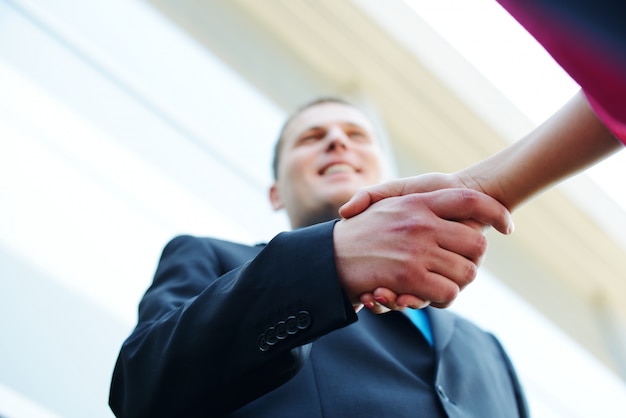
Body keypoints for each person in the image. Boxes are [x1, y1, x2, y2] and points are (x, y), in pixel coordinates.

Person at [108, 98, 528, 417]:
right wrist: (325, 261)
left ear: (387, 175)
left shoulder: (490, 350)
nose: (337, 141)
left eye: (357, 135)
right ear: (276, 192)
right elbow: (142, 388)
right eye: (311, 137)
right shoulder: (210, 258)